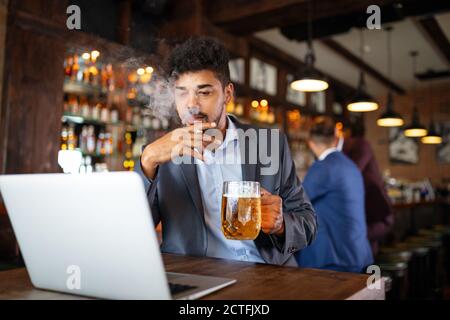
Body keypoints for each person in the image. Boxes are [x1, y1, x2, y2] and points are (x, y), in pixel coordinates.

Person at [137, 37, 317, 266]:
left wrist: (282, 224)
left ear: (228, 94)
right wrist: (148, 160)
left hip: (267, 276)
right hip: (194, 275)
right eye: (182, 93)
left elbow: (308, 223)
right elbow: (133, 230)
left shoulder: (269, 144)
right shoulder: (159, 154)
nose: (192, 105)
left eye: (204, 93)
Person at [296, 117, 373, 273]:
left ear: (310, 143)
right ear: (335, 140)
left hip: (334, 257)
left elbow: (296, 202)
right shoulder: (349, 165)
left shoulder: (323, 167)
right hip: (357, 252)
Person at [337, 120, 394, 255]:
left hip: (377, 211)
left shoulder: (360, 144)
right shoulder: (351, 147)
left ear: (349, 131)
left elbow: (351, 173)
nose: (338, 135)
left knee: (363, 243)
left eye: (340, 131)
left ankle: (368, 273)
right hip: (372, 209)